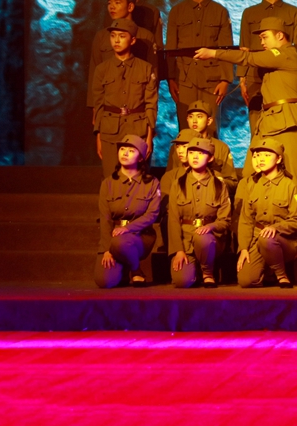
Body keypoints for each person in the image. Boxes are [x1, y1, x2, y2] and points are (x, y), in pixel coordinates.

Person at [197, 16, 297, 185]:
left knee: (292, 174)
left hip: (287, 119)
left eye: (265, 37)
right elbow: (254, 58)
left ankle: (296, 203)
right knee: (250, 172)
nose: (262, 42)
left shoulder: (286, 54)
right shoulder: (275, 56)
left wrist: (214, 53)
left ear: (279, 36)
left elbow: (250, 59)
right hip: (268, 120)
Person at [238, 0, 297, 136]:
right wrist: (242, 78)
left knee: (283, 128)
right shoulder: (250, 13)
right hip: (255, 76)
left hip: (282, 78)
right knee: (257, 129)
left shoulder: (293, 13)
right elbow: (244, 46)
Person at [165, 0, 233, 128]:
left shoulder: (219, 12)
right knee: (186, 129)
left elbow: (226, 48)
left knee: (210, 129)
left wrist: (225, 80)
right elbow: (171, 48)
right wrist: (170, 78)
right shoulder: (177, 11)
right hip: (184, 80)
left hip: (211, 82)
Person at [93, 134, 161, 289]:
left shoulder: (151, 183)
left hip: (140, 236)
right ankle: (124, 267)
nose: (125, 153)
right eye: (122, 149)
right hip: (113, 238)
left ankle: (136, 269)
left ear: (140, 158)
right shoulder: (108, 183)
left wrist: (128, 228)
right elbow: (105, 218)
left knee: (121, 241)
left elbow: (152, 215)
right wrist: (107, 249)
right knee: (104, 281)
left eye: (131, 150)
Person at [89, 17, 158, 169]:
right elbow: (98, 105)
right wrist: (99, 136)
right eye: (113, 36)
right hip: (109, 132)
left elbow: (151, 105)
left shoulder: (146, 69)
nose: (116, 40)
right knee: (110, 176)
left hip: (137, 130)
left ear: (132, 40)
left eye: (121, 36)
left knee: (137, 176)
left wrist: (149, 136)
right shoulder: (101, 70)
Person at [236, 139, 297, 288]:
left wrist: (276, 228)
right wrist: (244, 248)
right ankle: (268, 271)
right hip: (258, 238)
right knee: (246, 280)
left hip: (283, 240)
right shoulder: (252, 184)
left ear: (278, 159)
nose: (261, 159)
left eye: (267, 155)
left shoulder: (289, 185)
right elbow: (246, 220)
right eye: (259, 155)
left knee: (267, 239)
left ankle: (281, 275)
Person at [166, 136, 231, 289]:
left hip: (210, 241)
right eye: (192, 152)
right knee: (182, 281)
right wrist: (178, 250)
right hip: (186, 241)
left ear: (210, 158)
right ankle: (193, 270)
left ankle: (208, 272)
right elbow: (173, 220)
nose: (195, 157)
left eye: (201, 153)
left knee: (203, 238)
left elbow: (225, 220)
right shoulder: (178, 184)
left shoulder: (219, 185)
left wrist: (211, 227)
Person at [164, 102, 239, 188]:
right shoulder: (177, 147)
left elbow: (233, 182)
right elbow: (169, 178)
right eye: (191, 116)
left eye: (199, 116)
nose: (194, 121)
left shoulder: (221, 147)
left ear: (209, 121)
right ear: (187, 119)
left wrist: (218, 183)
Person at [89, 0, 158, 76]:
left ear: (130, 7)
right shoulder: (101, 36)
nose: (111, 7)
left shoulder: (146, 36)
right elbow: (94, 73)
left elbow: (153, 73)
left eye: (117, 2)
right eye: (109, 3)